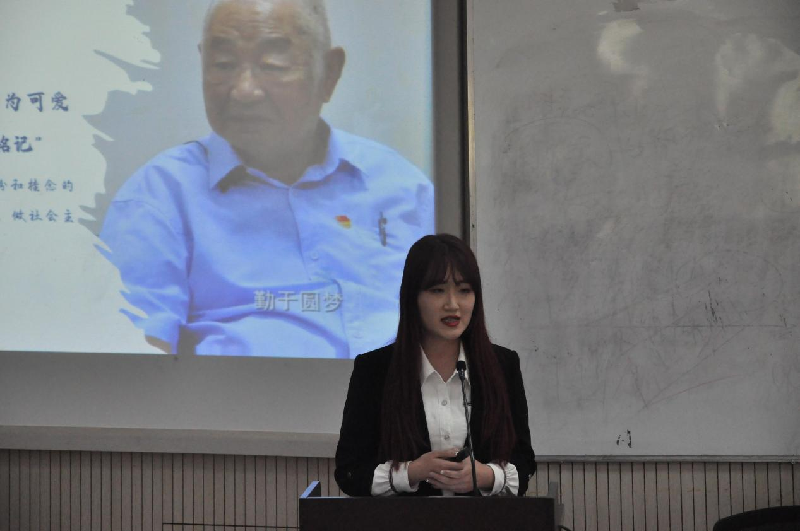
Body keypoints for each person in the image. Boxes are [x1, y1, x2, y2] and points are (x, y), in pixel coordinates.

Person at [98, 0, 433, 357]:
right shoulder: (158, 198)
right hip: (238, 393)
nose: (244, 90)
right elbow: (133, 363)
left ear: (329, 73)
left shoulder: (400, 188)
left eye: (273, 65)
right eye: (223, 64)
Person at [335, 234, 536, 496]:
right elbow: (350, 473)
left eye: (464, 291)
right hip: (403, 518)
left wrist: (485, 476)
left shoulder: (503, 365)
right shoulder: (375, 369)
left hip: (483, 517)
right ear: (413, 297)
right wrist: (412, 472)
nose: (452, 305)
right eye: (437, 290)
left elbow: (524, 464)